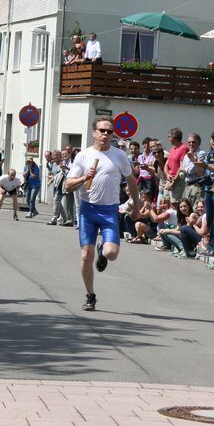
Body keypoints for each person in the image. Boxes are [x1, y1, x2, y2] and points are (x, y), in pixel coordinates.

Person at [65, 117, 140, 312]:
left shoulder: (119, 156)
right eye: (102, 130)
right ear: (94, 133)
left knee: (111, 254)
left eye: (109, 131)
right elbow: (68, 185)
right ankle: (90, 295)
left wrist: (137, 207)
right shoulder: (83, 156)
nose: (106, 134)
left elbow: (131, 181)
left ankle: (102, 251)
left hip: (109, 210)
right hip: (88, 210)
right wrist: (84, 177)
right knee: (85, 255)